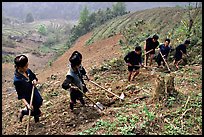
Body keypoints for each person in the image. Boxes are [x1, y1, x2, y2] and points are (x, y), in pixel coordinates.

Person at [13, 55, 43, 123]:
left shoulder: (28, 71)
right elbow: (20, 95)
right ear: (20, 67)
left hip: (33, 90)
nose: (27, 67)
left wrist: (34, 80)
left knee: (39, 102)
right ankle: (23, 112)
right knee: (32, 109)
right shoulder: (17, 80)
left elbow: (34, 77)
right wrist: (27, 104)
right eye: (25, 66)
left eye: (27, 65)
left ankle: (35, 115)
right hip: (27, 96)